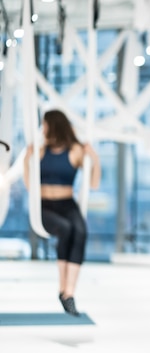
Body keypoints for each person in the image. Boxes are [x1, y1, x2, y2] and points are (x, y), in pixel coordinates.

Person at [23, 109, 101, 316]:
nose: (44, 129)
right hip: (45, 205)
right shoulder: (40, 150)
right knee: (66, 229)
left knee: (80, 232)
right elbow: (30, 186)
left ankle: (69, 293)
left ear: (53, 125)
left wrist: (94, 158)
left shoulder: (74, 150)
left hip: (68, 204)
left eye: (45, 124)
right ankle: (62, 287)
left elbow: (93, 184)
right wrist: (26, 159)